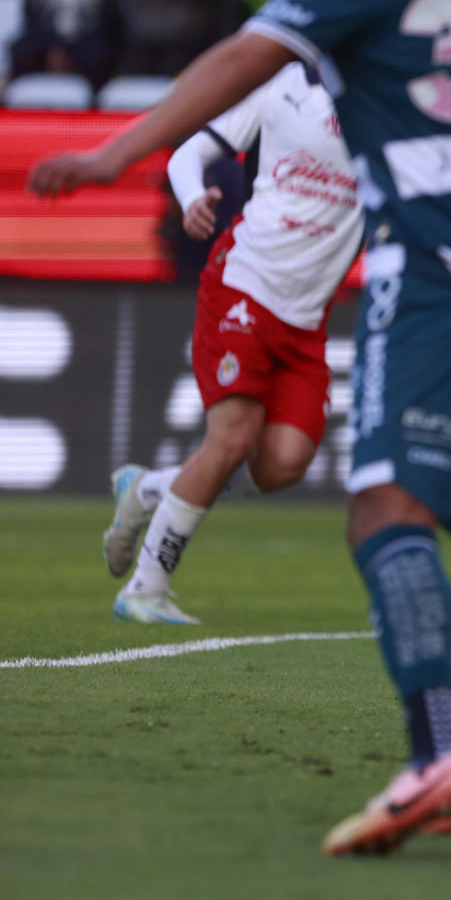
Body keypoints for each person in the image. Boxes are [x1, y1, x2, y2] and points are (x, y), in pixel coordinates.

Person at [28, 0, 451, 853]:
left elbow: (240, 51)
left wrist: (118, 150)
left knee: (381, 521)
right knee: (399, 519)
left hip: (433, 271)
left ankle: (439, 754)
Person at [100, 63, 361, 623]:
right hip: (244, 285)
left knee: (282, 465)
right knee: (232, 439)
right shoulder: (281, 84)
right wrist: (193, 198)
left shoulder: (395, 104)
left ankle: (147, 489)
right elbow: (185, 153)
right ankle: (145, 588)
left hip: (307, 316)